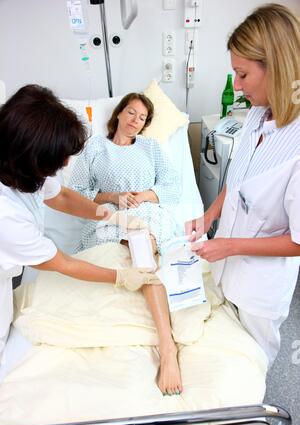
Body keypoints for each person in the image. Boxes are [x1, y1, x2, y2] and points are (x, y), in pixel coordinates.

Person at [0, 85, 160, 362]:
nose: (64, 164)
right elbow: (62, 262)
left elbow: (61, 195)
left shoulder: (20, 162)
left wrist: (110, 215)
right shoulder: (7, 216)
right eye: (59, 159)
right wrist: (121, 277)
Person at [186, 3, 300, 368]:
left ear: (277, 68)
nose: (236, 86)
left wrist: (229, 245)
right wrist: (209, 216)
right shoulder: (255, 114)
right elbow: (236, 182)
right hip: (226, 270)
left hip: (259, 292)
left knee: (247, 367)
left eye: (243, 75)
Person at [69, 93, 183, 395]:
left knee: (142, 248)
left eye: (142, 118)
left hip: (144, 212)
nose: (135, 121)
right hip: (108, 215)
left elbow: (173, 184)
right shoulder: (95, 147)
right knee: (126, 252)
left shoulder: (150, 148)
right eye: (131, 113)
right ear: (119, 114)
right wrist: (112, 198)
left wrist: (143, 195)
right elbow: (76, 193)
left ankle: (167, 347)